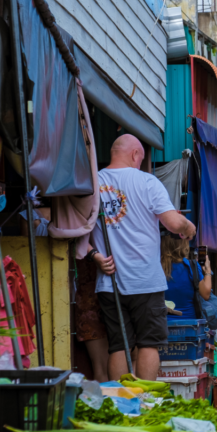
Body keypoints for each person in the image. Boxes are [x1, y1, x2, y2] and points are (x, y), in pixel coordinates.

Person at [91, 135, 197, 381]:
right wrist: (188, 227)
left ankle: (122, 403)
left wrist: (95, 255)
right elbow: (173, 224)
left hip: (109, 282)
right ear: (135, 154)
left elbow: (76, 227)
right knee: (149, 344)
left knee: (119, 345)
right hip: (145, 280)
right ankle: (144, 404)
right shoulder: (147, 182)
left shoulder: (93, 182)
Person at [161, 235, 213, 319]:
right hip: (189, 325)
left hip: (162, 324)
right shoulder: (192, 266)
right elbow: (206, 294)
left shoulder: (157, 267)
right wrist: (207, 271)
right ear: (183, 245)